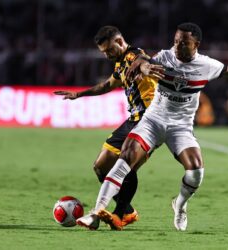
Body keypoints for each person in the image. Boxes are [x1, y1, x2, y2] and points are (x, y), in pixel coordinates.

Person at [76, 23, 228, 231]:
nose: (177, 46)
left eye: (183, 43)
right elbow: (145, 60)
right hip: (153, 120)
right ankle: (95, 213)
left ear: (196, 45)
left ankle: (179, 205)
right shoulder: (165, 57)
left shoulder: (207, 65)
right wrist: (142, 66)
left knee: (196, 173)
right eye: (175, 41)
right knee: (124, 159)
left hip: (180, 127)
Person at [54, 26, 157, 230]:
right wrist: (79, 94)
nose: (106, 55)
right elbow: (107, 85)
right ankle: (127, 210)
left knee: (127, 166)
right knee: (100, 166)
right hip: (133, 118)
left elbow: (144, 61)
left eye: (109, 50)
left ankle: (118, 215)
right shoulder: (120, 64)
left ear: (119, 41)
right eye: (103, 52)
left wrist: (143, 67)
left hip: (150, 119)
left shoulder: (134, 55)